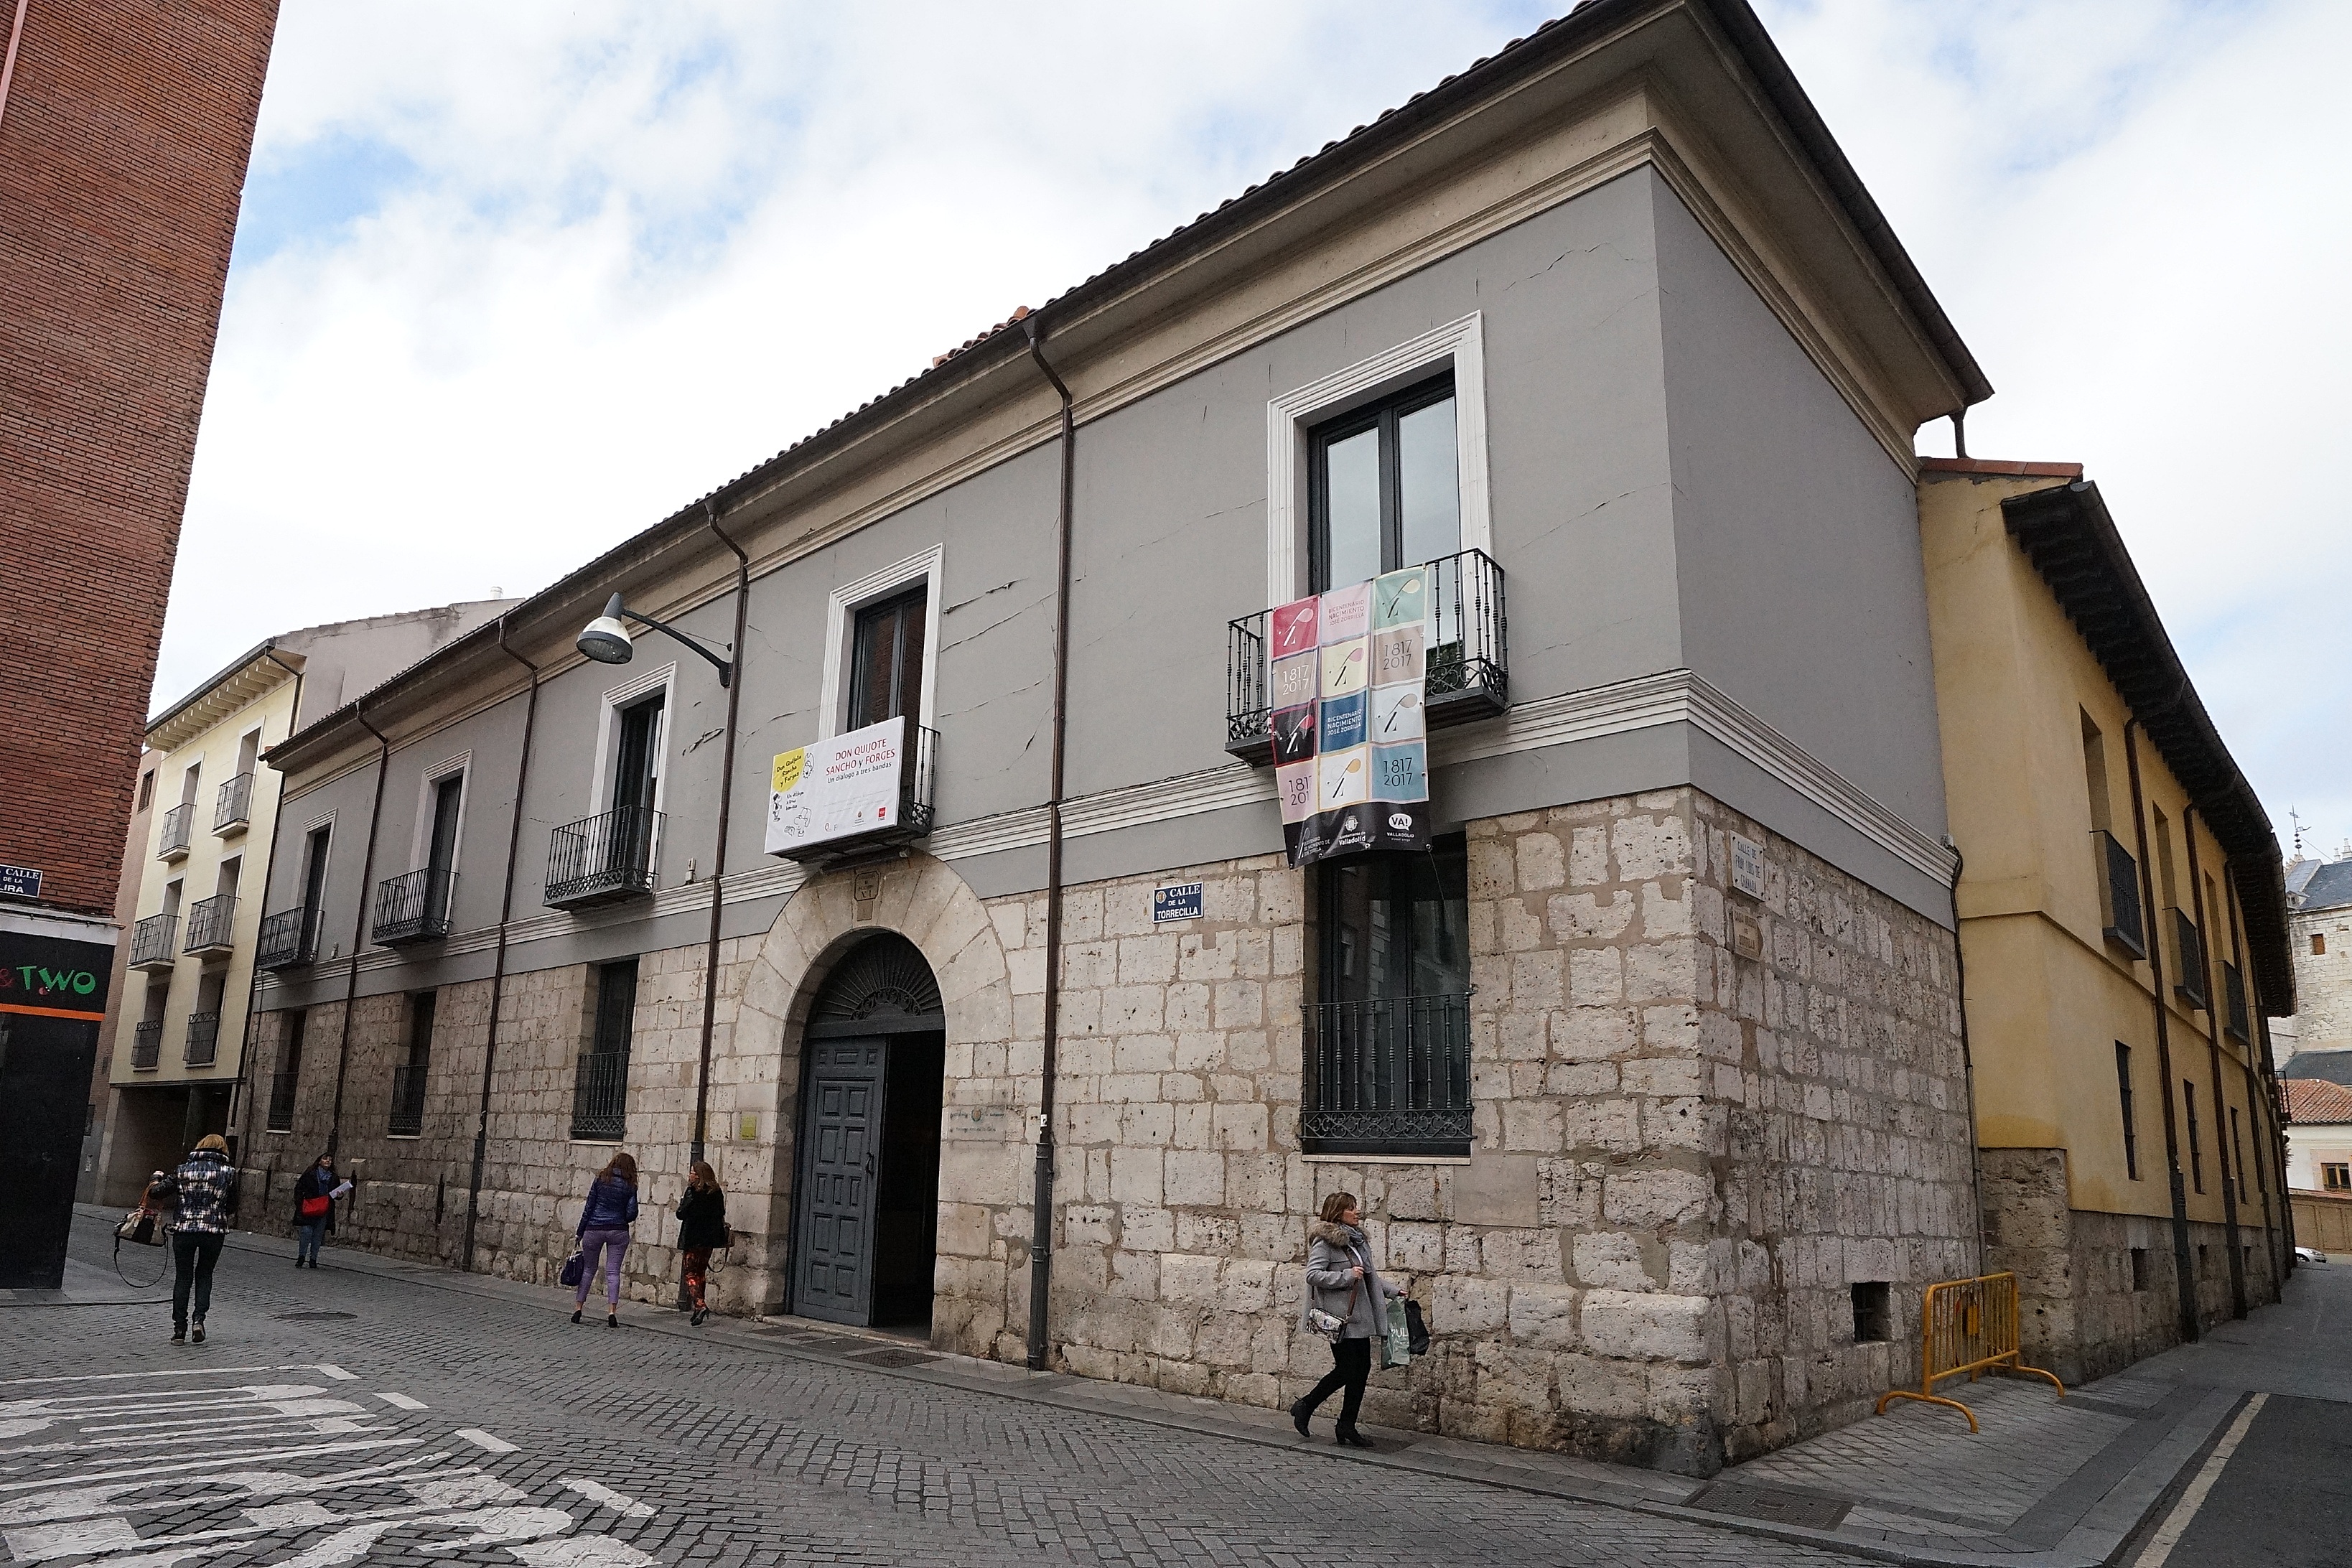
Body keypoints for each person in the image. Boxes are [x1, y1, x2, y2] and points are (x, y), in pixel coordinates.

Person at [1291, 1191, 1404, 1448]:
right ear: (1338, 1213)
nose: (1357, 1212)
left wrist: (1393, 1291)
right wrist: (1345, 1276)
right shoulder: (1325, 1243)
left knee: (1361, 1369)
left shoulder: (1356, 1241)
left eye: (1356, 1207)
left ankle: (1346, 1424)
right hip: (1340, 1319)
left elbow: (1368, 1278)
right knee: (1347, 1369)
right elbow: (1313, 1275)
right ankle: (1306, 1405)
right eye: (1351, 1208)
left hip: (1360, 1318)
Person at [158, 1134, 238, 1345]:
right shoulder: (229, 1172)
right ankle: (199, 1320)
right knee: (204, 1274)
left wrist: (155, 1180)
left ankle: (179, 1329)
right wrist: (216, 1212)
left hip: (185, 1229)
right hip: (213, 1231)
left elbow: (158, 1192)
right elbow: (233, 1204)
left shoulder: (183, 1170)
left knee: (183, 1277)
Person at [571, 1152, 639, 1327]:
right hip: (618, 1230)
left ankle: (578, 1309)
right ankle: (612, 1312)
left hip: (594, 1228)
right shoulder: (630, 1185)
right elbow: (632, 1213)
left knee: (588, 1270)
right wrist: (620, 1217)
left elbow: (589, 1207)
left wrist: (580, 1232)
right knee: (613, 1272)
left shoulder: (600, 1179)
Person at [674, 1161, 729, 1327]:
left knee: (690, 1273)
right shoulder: (716, 1192)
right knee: (701, 1272)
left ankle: (700, 1305)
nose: (690, 1175)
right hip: (709, 1239)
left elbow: (681, 1213)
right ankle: (698, 1309)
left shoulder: (693, 1192)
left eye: (692, 1172)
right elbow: (721, 1212)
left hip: (693, 1238)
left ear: (699, 1176)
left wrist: (683, 1203)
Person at [291, 1153, 341, 1268]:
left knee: (318, 1235)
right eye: (325, 1159)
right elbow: (299, 1188)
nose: (328, 1161)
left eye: (330, 1159)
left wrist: (339, 1195)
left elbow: (336, 1194)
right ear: (319, 1161)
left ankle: (313, 1259)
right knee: (306, 1232)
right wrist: (300, 1203)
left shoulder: (334, 1177)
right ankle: (301, 1256)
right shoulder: (310, 1174)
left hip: (324, 1209)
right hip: (310, 1207)